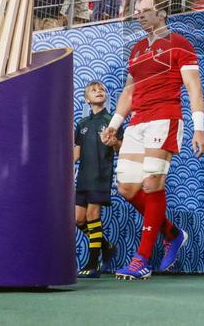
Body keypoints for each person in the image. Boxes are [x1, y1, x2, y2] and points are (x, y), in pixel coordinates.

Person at [102, 0, 204, 280]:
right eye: (137, 12)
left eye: (146, 11)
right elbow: (129, 91)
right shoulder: (136, 49)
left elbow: (193, 87)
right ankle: (172, 233)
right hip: (137, 121)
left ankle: (142, 259)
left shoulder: (180, 44)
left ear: (162, 13)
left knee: (151, 184)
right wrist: (115, 123)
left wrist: (199, 127)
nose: (140, 16)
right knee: (127, 188)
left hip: (165, 117)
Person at [74, 81, 122, 277]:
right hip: (84, 176)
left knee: (93, 215)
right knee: (78, 220)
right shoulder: (82, 124)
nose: (98, 92)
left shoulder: (112, 121)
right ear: (87, 99)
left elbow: (120, 147)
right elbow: (76, 153)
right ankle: (106, 246)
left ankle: (92, 264)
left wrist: (114, 142)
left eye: (101, 90)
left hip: (101, 174)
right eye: (93, 91)